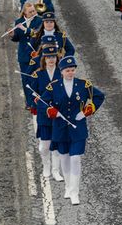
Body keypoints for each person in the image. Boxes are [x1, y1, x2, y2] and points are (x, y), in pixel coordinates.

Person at [44, 56, 105, 205]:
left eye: (72, 70)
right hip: (60, 128)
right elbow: (42, 102)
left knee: (75, 158)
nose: (70, 73)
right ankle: (67, 186)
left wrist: (86, 111)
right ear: (62, 71)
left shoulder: (84, 85)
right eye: (67, 70)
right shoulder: (54, 86)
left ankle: (74, 192)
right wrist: (51, 111)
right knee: (64, 157)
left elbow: (99, 96)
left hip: (78, 128)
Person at [26, 42, 64, 182]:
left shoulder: (62, 73)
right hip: (44, 114)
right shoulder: (38, 74)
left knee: (57, 144)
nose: (51, 59)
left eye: (53, 56)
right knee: (44, 146)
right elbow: (32, 94)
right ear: (44, 58)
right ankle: (46, 167)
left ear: (57, 57)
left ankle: (56, 171)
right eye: (48, 56)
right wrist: (37, 102)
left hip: (58, 114)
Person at [11, 0, 43, 91]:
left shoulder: (40, 21)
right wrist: (13, 35)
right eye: (30, 12)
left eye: (34, 11)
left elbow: (37, 34)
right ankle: (29, 103)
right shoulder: (19, 21)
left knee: (38, 79)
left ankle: (38, 102)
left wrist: (25, 29)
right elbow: (17, 38)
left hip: (36, 54)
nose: (33, 13)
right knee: (26, 80)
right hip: (24, 55)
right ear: (25, 12)